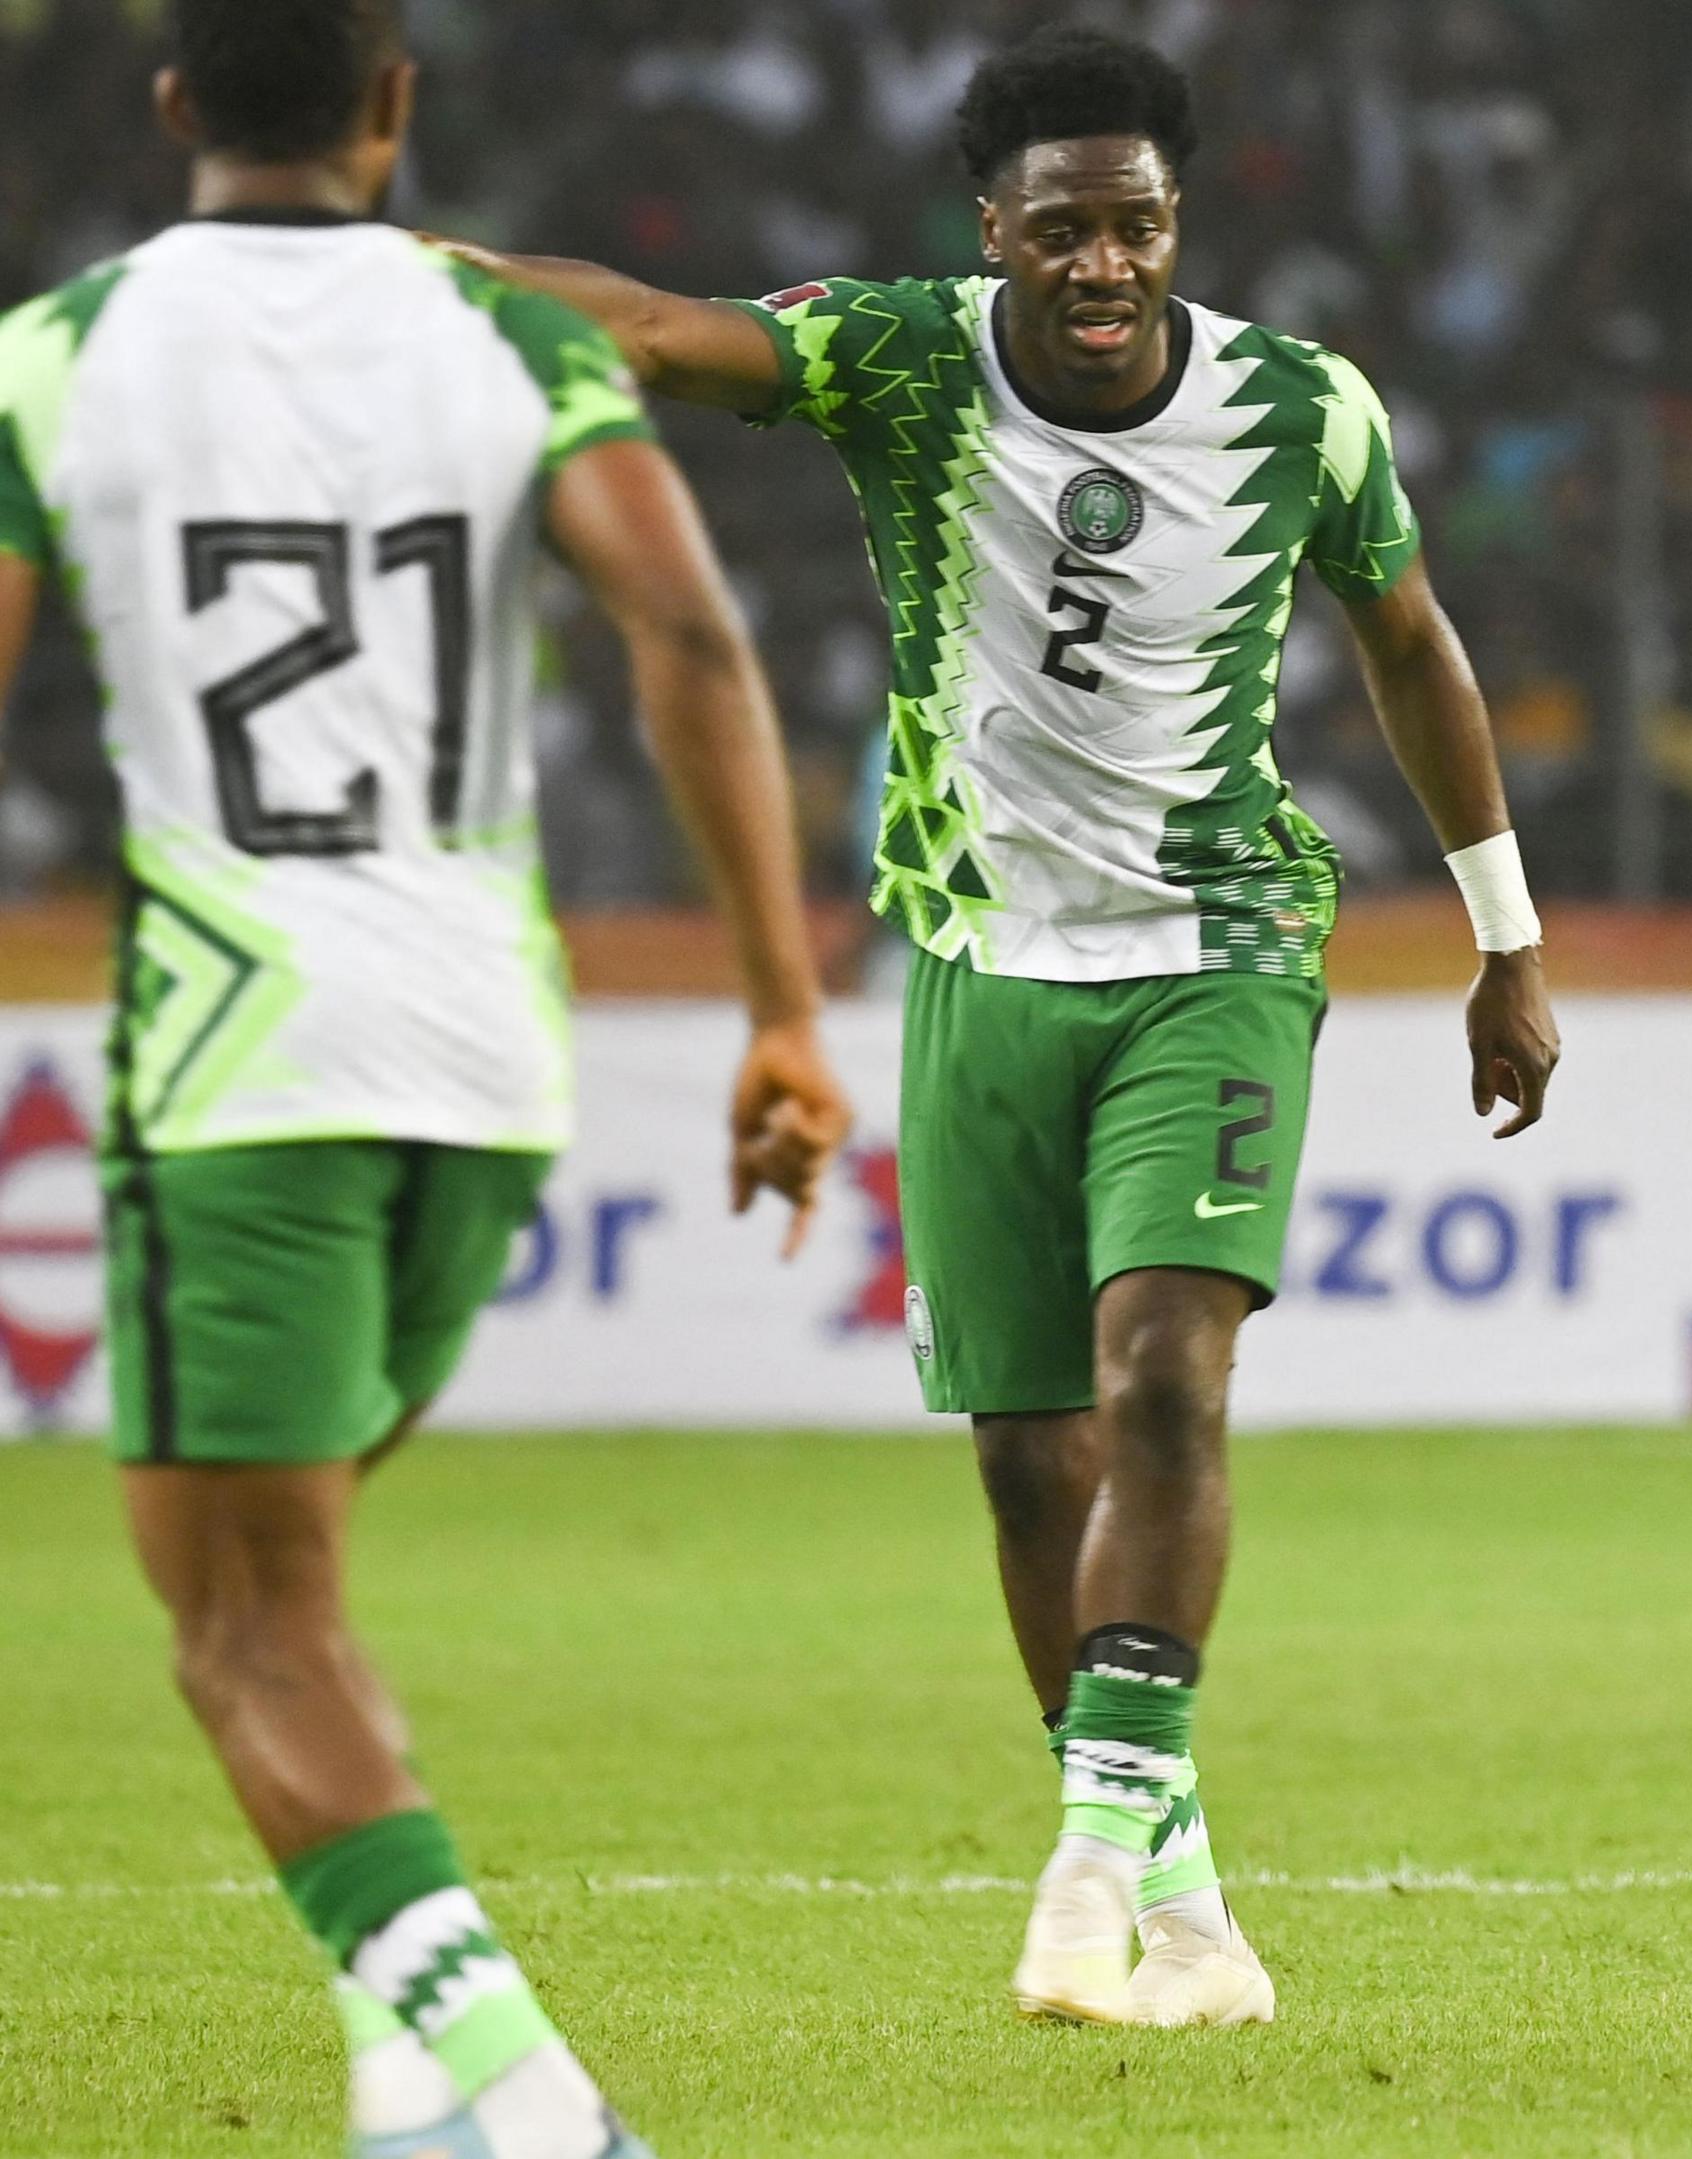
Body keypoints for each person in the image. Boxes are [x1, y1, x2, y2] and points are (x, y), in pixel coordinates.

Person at [440, 25, 1562, 2027]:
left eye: (1137, 223)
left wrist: (1507, 938)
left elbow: (1413, 644)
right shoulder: (899, 358)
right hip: (976, 964)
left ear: (1177, 222)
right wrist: (380, 269)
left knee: (1163, 1383)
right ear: (995, 230)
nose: (1106, 263)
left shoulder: (1301, 410)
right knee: (1031, 1472)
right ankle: (1183, 1895)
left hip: (1213, 950)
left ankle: (1080, 1877)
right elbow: (638, 322)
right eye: (1064, 228)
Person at [0, 3, 850, 2152]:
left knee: (237, 1631)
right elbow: (686, 631)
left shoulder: (51, 358)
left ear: (175, 100)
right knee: (292, 1589)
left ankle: (524, 2095)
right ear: (397, 106)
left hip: (242, 1060)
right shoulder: (509, 344)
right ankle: (404, 2080)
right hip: (484, 1052)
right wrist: (776, 1003)